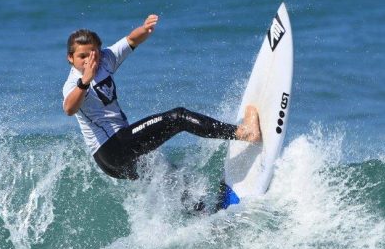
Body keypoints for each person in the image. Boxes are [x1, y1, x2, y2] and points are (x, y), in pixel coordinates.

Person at [63, 14, 261, 180]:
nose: (90, 60)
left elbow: (131, 40)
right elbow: (69, 109)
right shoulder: (73, 83)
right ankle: (244, 133)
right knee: (179, 117)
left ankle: (208, 218)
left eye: (93, 53)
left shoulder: (105, 59)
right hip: (112, 150)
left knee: (172, 179)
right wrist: (85, 81)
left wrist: (144, 29)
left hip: (116, 157)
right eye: (82, 56)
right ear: (70, 58)